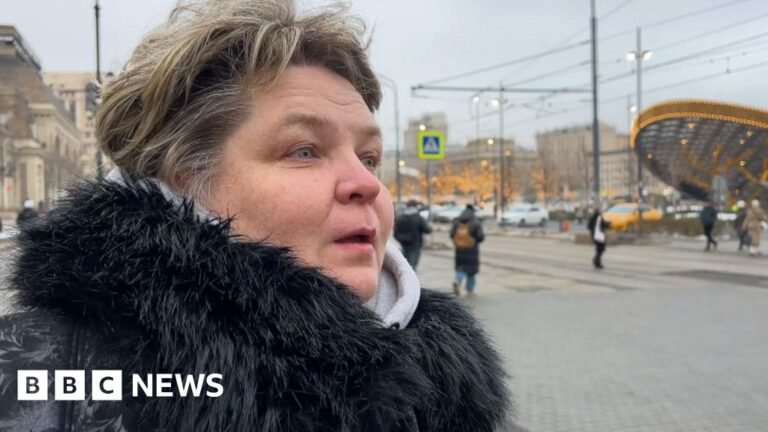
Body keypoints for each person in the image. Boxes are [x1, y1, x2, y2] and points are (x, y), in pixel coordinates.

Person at [0, 1, 509, 431]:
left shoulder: (453, 393)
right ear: (183, 178)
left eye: (370, 158)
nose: (368, 184)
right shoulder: (39, 381)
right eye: (304, 151)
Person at [450, 204, 485, 297]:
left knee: (460, 267)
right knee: (471, 270)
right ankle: (470, 290)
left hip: (459, 250)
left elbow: (451, 234)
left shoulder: (457, 222)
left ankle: (457, 281)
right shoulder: (475, 222)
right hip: (472, 250)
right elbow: (481, 237)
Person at [393, 199, 431, 269]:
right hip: (415, 244)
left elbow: (395, 232)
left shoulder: (401, 218)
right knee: (412, 264)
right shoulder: (419, 218)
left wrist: (401, 240)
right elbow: (427, 230)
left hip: (404, 243)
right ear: (416, 206)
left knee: (405, 263)